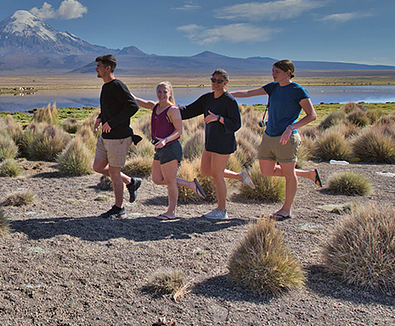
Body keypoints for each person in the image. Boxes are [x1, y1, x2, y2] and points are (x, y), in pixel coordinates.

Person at [230, 60, 321, 220]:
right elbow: (249, 93)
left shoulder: (298, 91)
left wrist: (291, 127)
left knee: (288, 174)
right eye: (272, 71)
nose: (273, 74)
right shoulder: (273, 87)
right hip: (269, 135)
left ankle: (286, 210)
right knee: (266, 171)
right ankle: (308, 174)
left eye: (276, 71)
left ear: (288, 73)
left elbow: (312, 115)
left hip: (286, 138)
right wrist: (227, 94)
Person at [179, 69, 255, 220]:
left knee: (217, 175)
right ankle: (241, 176)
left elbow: (236, 124)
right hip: (211, 141)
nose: (215, 83)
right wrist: (170, 109)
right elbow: (189, 110)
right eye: (213, 80)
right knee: (206, 170)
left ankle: (222, 210)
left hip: (223, 142)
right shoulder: (207, 98)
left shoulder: (229, 100)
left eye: (219, 81)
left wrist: (218, 118)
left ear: (226, 83)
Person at [133, 82, 204, 220]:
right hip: (159, 148)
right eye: (159, 92)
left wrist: (165, 140)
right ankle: (190, 184)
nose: (161, 95)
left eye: (164, 92)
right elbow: (138, 100)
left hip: (170, 148)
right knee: (157, 179)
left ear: (170, 93)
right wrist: (119, 87)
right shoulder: (156, 107)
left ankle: (171, 212)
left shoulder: (173, 110)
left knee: (170, 182)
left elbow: (179, 131)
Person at [93, 54, 142, 219]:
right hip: (106, 137)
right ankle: (131, 182)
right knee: (98, 167)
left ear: (108, 68)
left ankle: (119, 208)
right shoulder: (106, 87)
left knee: (114, 172)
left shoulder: (117, 85)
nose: (96, 69)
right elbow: (110, 107)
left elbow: (132, 106)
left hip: (118, 138)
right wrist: (100, 118)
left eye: (99, 66)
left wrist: (112, 123)